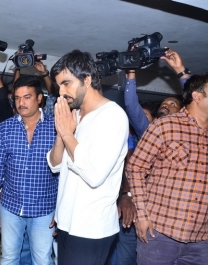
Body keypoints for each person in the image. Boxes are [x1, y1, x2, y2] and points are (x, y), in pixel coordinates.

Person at [126, 72, 208, 265]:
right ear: (197, 96)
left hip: (203, 240)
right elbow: (135, 168)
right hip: (159, 233)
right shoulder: (165, 126)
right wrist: (143, 216)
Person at [47, 49, 129, 265]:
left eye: (66, 83)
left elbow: (94, 174)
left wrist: (67, 133)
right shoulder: (76, 116)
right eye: (59, 87)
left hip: (91, 229)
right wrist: (61, 132)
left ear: (87, 79)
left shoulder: (112, 116)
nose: (62, 92)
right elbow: (55, 165)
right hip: (66, 222)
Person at [0, 75, 58, 265]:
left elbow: (65, 173)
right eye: (17, 98)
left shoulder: (56, 128)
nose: (21, 103)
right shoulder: (5, 128)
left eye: (27, 97)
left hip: (45, 209)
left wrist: (62, 211)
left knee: (42, 259)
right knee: (9, 257)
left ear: (39, 98)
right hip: (10, 207)